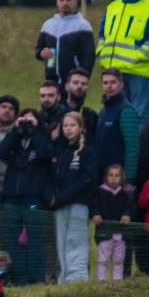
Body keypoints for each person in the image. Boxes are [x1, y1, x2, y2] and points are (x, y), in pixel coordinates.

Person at [0, 108, 53, 284]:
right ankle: (19, 279)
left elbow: (45, 153)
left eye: (30, 120)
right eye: (24, 119)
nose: (27, 123)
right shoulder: (15, 139)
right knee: (11, 238)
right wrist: (16, 130)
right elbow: (1, 153)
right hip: (11, 196)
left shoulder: (42, 139)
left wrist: (35, 131)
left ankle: (36, 279)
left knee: (35, 237)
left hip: (33, 197)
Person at [97, 0, 149, 118]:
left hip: (138, 72)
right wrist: (102, 52)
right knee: (116, 114)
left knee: (139, 116)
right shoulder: (112, 7)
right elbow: (101, 33)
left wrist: (137, 57)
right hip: (114, 72)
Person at [48, 111, 95, 283]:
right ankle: (64, 278)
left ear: (81, 128)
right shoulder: (62, 151)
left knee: (76, 240)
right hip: (60, 205)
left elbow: (87, 180)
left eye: (72, 125)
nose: (68, 129)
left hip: (78, 204)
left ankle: (78, 278)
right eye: (65, 126)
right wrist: (55, 198)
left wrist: (63, 197)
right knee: (61, 241)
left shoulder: (88, 151)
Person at [37, 0, 97, 85]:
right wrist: (41, 53)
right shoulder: (47, 25)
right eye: (61, 0)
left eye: (68, 0)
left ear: (75, 1)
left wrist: (83, 77)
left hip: (73, 82)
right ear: (57, 1)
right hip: (51, 80)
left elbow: (89, 55)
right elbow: (39, 49)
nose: (65, 3)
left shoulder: (83, 26)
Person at [93, 70, 142, 186]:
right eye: (105, 83)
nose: (109, 86)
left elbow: (132, 147)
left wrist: (128, 178)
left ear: (121, 84)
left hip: (117, 178)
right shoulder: (103, 110)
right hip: (102, 174)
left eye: (113, 82)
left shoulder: (126, 111)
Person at [90, 163, 135, 281]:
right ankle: (101, 280)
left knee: (119, 259)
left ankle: (117, 280)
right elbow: (93, 205)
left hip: (120, 231)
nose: (113, 178)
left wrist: (127, 214)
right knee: (102, 259)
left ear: (121, 178)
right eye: (110, 175)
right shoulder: (99, 191)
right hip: (104, 231)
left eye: (117, 175)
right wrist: (95, 214)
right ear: (106, 177)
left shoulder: (125, 193)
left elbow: (130, 207)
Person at [62, 68, 98, 136]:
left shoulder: (91, 115)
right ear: (67, 86)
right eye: (75, 83)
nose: (79, 86)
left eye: (84, 84)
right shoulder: (58, 112)